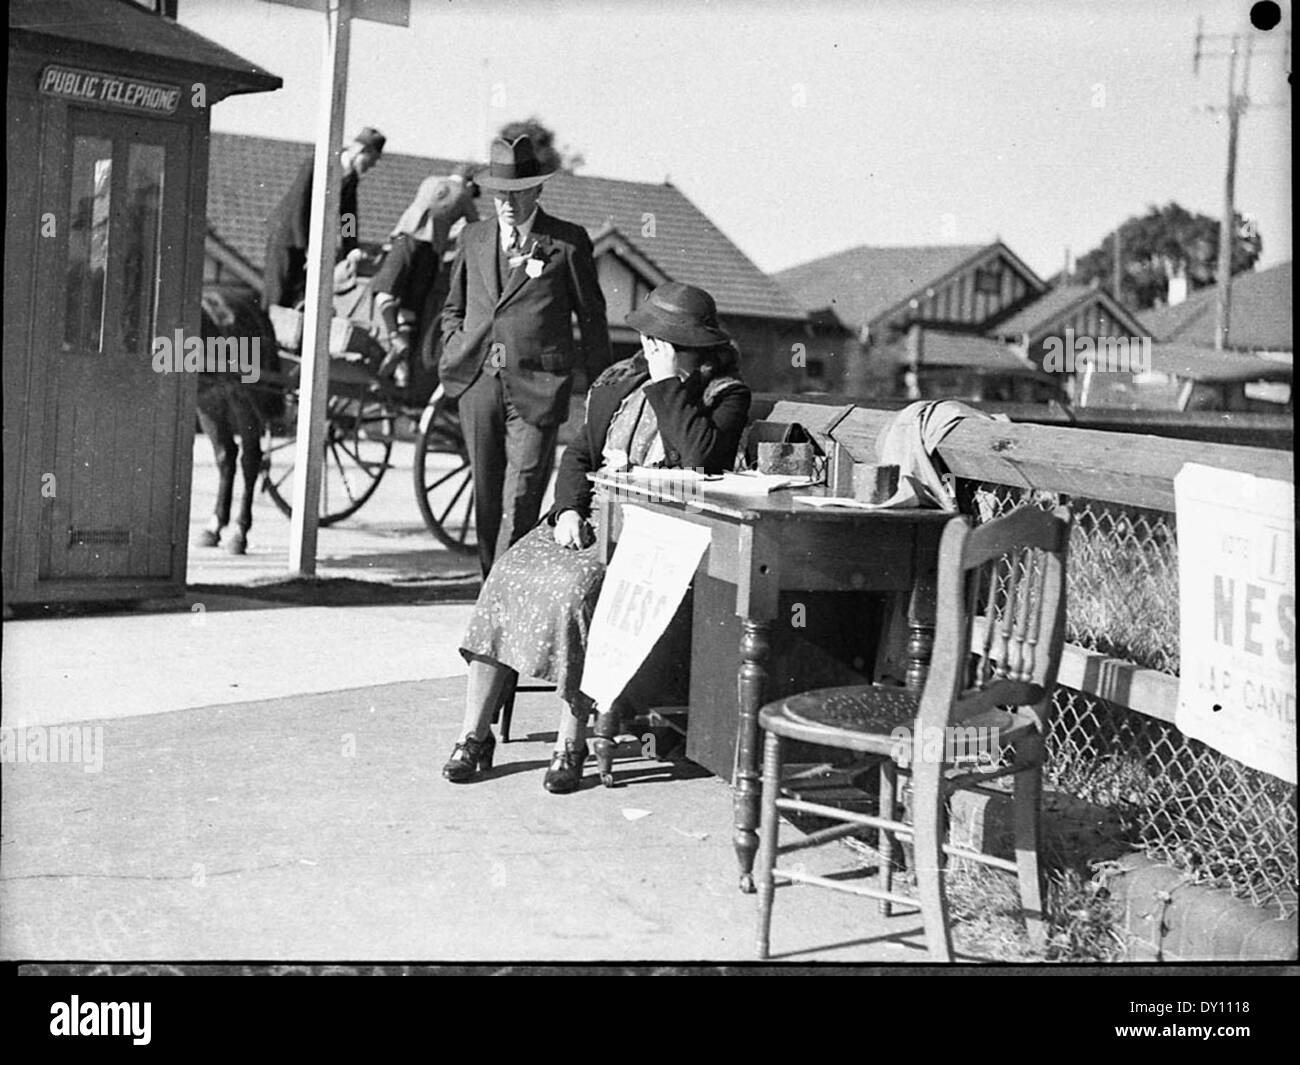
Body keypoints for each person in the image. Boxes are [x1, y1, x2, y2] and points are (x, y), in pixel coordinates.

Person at [441, 283, 752, 794]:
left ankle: (572, 740)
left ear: (689, 348)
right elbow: (579, 456)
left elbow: (701, 458)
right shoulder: (621, 382)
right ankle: (474, 735)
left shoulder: (724, 394)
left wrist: (668, 383)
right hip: (588, 520)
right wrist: (565, 510)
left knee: (574, 594)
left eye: (662, 342)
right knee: (508, 572)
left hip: (654, 534)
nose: (649, 349)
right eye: (650, 340)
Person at [438, 135, 611, 577]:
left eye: (517, 193)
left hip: (538, 387)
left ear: (537, 190)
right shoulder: (474, 237)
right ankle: (487, 586)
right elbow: (453, 308)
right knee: (487, 494)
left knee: (523, 492)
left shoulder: (567, 243)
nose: (509, 204)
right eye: (500, 195)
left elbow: (592, 319)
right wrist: (454, 346)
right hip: (478, 382)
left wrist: (605, 392)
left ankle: (503, 590)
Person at [372, 165, 480, 388]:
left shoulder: (429, 181)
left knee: (384, 292)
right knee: (411, 309)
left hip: (404, 241)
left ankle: (393, 338)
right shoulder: (464, 196)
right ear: (469, 183)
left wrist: (352, 241)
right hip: (430, 254)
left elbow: (428, 212)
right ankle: (403, 368)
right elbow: (476, 231)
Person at [262, 126, 386, 310]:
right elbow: (299, 205)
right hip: (288, 237)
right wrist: (307, 248)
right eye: (373, 159)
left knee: (296, 298)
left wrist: (350, 249)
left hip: (306, 244)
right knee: (277, 296)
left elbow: (348, 215)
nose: (373, 165)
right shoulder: (318, 164)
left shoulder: (351, 178)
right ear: (361, 151)